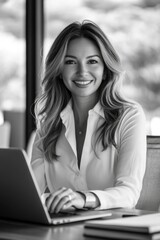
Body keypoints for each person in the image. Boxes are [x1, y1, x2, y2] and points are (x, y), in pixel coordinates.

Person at [31, 20, 146, 214]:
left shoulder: (129, 115)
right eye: (70, 62)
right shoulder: (49, 122)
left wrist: (82, 198)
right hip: (61, 232)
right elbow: (32, 191)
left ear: (105, 69)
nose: (82, 72)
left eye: (92, 61)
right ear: (59, 70)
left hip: (112, 230)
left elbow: (129, 192)